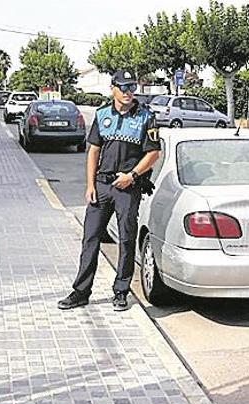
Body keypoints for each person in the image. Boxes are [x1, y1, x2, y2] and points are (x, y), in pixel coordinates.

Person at [57, 70, 160, 312]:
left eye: (131, 87)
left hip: (127, 187)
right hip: (102, 186)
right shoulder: (102, 114)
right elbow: (93, 150)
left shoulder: (146, 117)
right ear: (112, 88)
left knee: (126, 239)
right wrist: (90, 184)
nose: (127, 92)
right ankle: (81, 292)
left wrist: (132, 176)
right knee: (90, 239)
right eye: (123, 87)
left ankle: (121, 292)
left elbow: (153, 153)